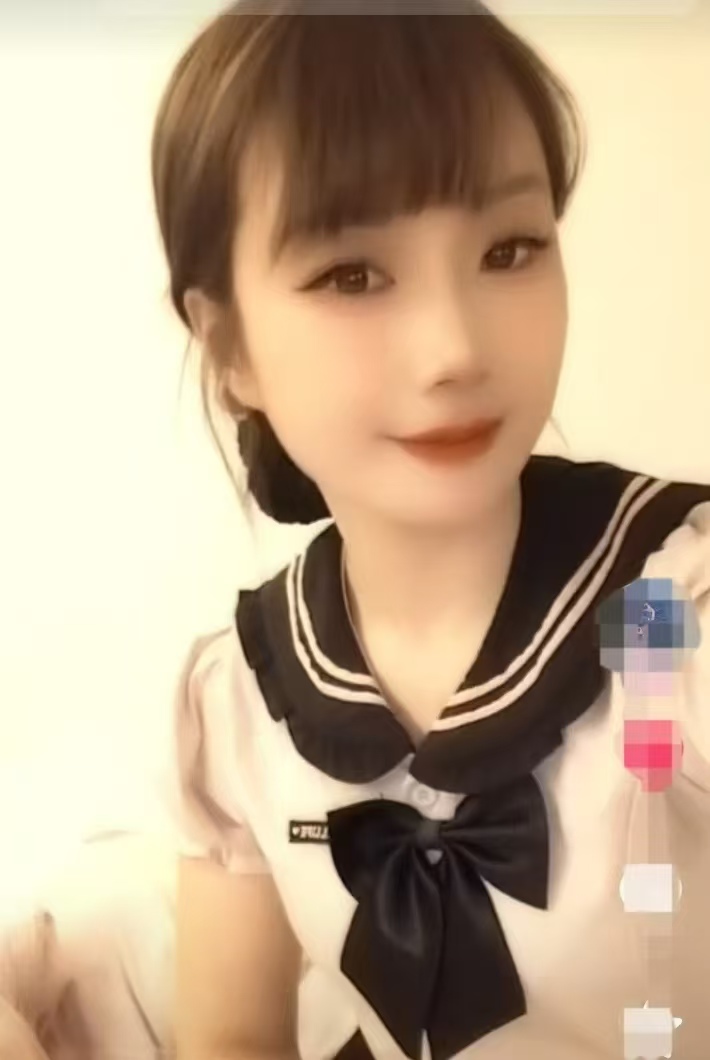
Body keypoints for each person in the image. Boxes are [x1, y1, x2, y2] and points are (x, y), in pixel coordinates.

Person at [149, 2, 710, 1058]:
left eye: (508, 248)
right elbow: (231, 1040)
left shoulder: (667, 618)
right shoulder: (236, 703)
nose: (454, 347)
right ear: (229, 348)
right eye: (352, 275)